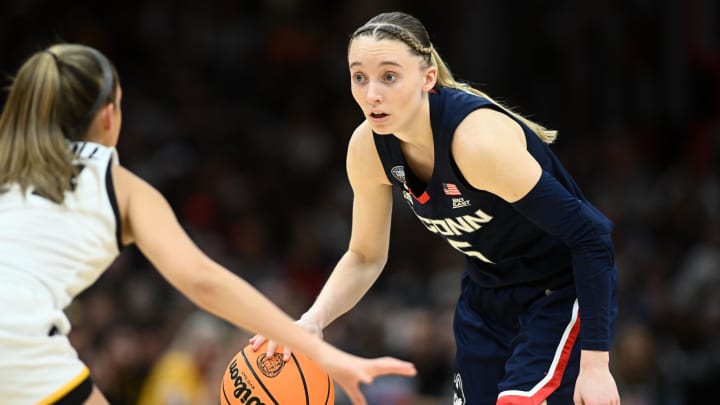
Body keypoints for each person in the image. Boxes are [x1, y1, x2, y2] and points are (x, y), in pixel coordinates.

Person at [0, 43, 416, 405]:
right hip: (13, 330)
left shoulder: (7, 164)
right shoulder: (119, 186)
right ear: (109, 116)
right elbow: (202, 280)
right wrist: (317, 351)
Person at [251, 11, 621, 405]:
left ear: (427, 78)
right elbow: (363, 256)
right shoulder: (367, 149)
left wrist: (596, 366)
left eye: (389, 77)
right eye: (360, 77)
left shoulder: (476, 144)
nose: (371, 93)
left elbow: (592, 236)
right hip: (485, 295)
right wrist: (313, 320)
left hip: (557, 291)